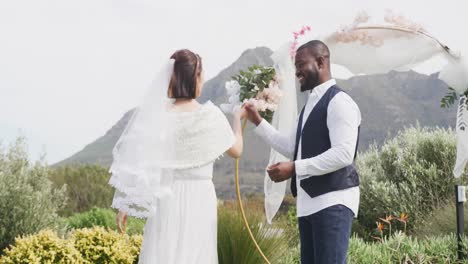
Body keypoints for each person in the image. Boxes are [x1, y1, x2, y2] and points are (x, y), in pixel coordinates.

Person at [108, 49, 245, 264]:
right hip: (200, 197)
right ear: (195, 78)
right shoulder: (210, 115)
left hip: (165, 196)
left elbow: (140, 160)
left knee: (164, 253)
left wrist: (126, 204)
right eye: (202, 74)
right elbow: (236, 150)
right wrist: (238, 119)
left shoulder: (159, 117)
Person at [244, 40, 361, 264]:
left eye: (300, 64)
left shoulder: (340, 102)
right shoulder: (308, 107)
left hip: (333, 202)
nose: (296, 71)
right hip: (307, 205)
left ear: (320, 62)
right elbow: (292, 147)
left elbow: (344, 154)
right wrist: (258, 121)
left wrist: (295, 168)